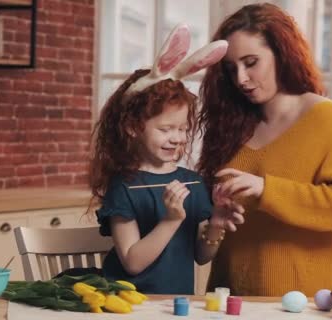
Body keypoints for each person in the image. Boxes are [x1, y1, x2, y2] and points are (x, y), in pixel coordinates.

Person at [197, 3, 332, 297]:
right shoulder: (228, 127)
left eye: (251, 62)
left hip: (299, 302)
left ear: (281, 53)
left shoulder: (324, 118)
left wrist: (267, 190)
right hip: (229, 300)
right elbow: (212, 228)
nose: (240, 78)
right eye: (231, 68)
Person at [89, 24, 244, 294]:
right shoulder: (123, 187)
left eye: (183, 129)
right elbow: (133, 262)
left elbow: (201, 256)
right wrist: (172, 219)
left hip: (176, 305)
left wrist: (217, 222)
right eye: (165, 129)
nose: (177, 138)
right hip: (131, 305)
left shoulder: (192, 183)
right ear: (133, 127)